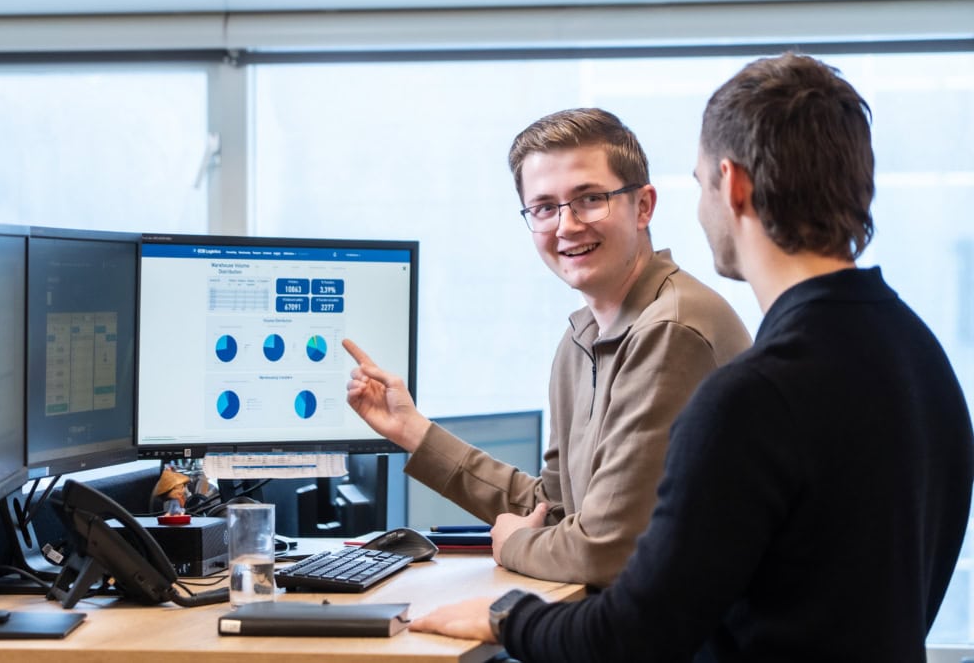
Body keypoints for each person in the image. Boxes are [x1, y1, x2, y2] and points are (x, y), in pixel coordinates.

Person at [407, 53, 974, 660]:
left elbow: (632, 631)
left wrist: (505, 618)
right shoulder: (920, 354)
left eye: (700, 182)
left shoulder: (753, 395)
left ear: (731, 185)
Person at [344, 107, 752, 588]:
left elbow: (605, 550)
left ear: (643, 206)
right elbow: (553, 508)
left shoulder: (671, 331)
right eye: (544, 207)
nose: (566, 225)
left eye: (590, 199)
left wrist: (513, 543)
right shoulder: (582, 338)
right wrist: (412, 430)